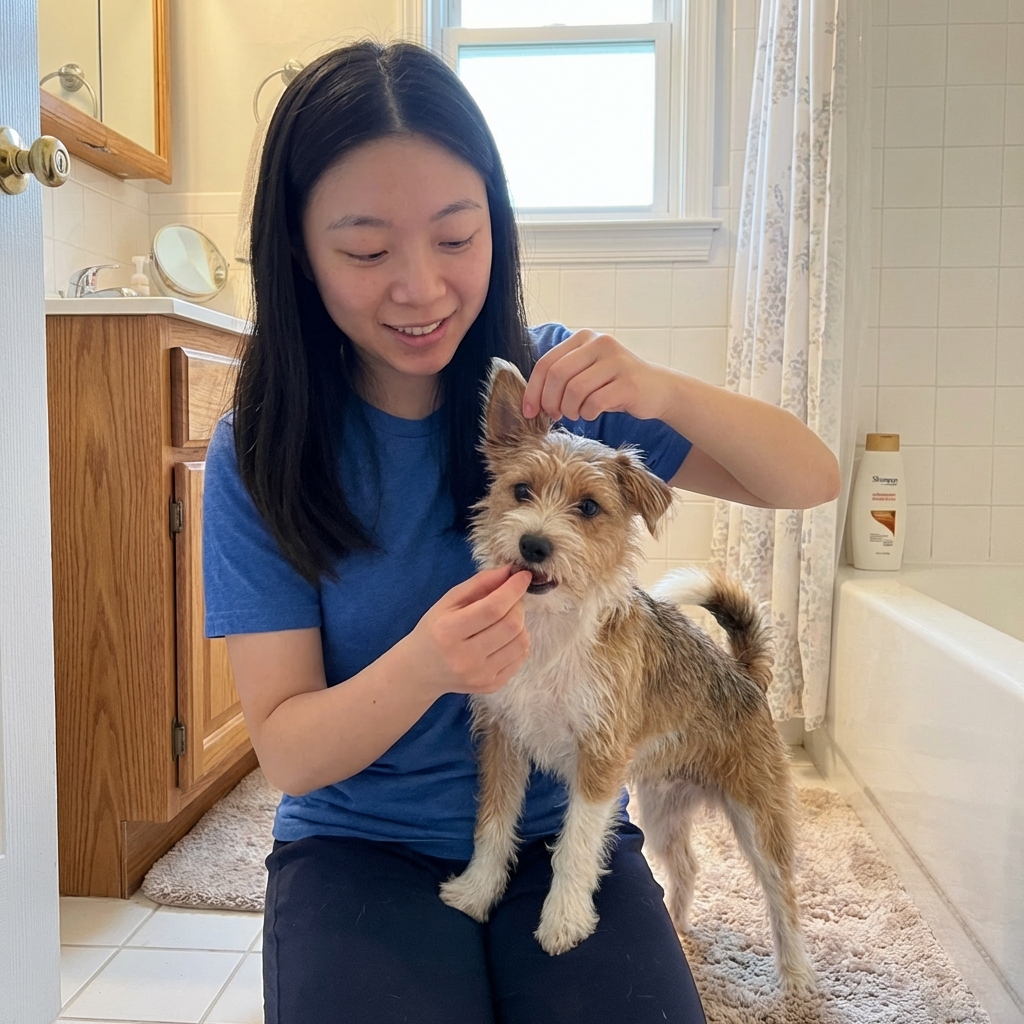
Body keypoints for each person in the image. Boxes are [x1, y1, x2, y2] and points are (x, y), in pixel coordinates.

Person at [203, 39, 840, 1024]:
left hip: (558, 824)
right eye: (367, 250)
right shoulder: (266, 448)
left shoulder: (553, 398)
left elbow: (809, 477)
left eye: (456, 236)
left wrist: (663, 389)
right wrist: (425, 662)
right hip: (359, 842)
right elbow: (286, 752)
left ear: (496, 226)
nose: (420, 287)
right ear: (296, 247)